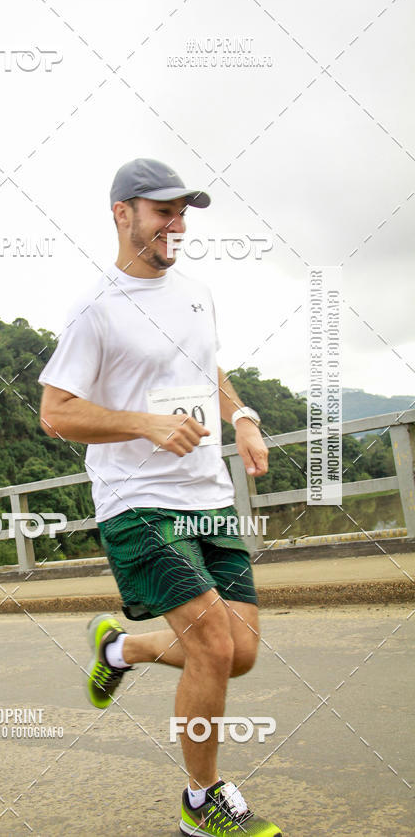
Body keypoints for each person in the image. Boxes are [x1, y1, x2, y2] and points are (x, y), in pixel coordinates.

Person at [38, 158, 281, 836]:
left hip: (205, 495)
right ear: (123, 214)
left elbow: (206, 365)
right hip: (137, 500)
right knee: (209, 645)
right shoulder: (96, 310)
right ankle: (201, 802)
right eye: (162, 211)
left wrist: (243, 416)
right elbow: (56, 412)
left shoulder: (198, 292)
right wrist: (144, 423)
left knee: (243, 651)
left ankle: (121, 650)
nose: (176, 224)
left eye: (183, 213)